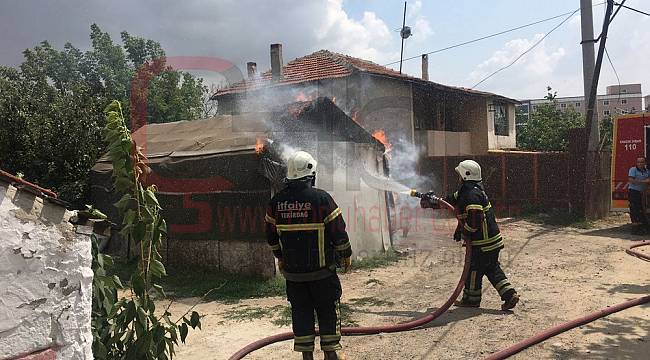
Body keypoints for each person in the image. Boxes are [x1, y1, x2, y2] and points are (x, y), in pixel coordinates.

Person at [265, 151, 352, 360]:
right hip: (323, 275)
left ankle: (307, 357)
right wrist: (345, 254)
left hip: (294, 276)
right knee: (327, 311)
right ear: (311, 174)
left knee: (301, 313)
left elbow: (270, 236)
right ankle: (330, 354)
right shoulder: (322, 199)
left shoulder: (276, 202)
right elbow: (339, 232)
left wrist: (280, 257)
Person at [420, 159, 519, 310]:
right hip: (492, 241)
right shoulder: (466, 191)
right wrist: (431, 202)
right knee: (491, 268)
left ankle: (471, 300)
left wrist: (465, 231)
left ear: (465, 175)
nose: (458, 177)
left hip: (483, 243)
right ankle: (509, 294)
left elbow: (475, 219)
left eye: (460, 174)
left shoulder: (471, 195)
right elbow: (450, 202)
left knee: (473, 269)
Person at [628, 157, 650, 234]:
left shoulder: (647, 171)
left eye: (642, 162)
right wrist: (644, 181)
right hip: (634, 192)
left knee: (642, 210)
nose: (640, 164)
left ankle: (642, 227)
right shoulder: (633, 170)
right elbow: (631, 180)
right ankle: (635, 229)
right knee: (634, 210)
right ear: (636, 163)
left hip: (643, 194)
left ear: (645, 163)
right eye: (638, 162)